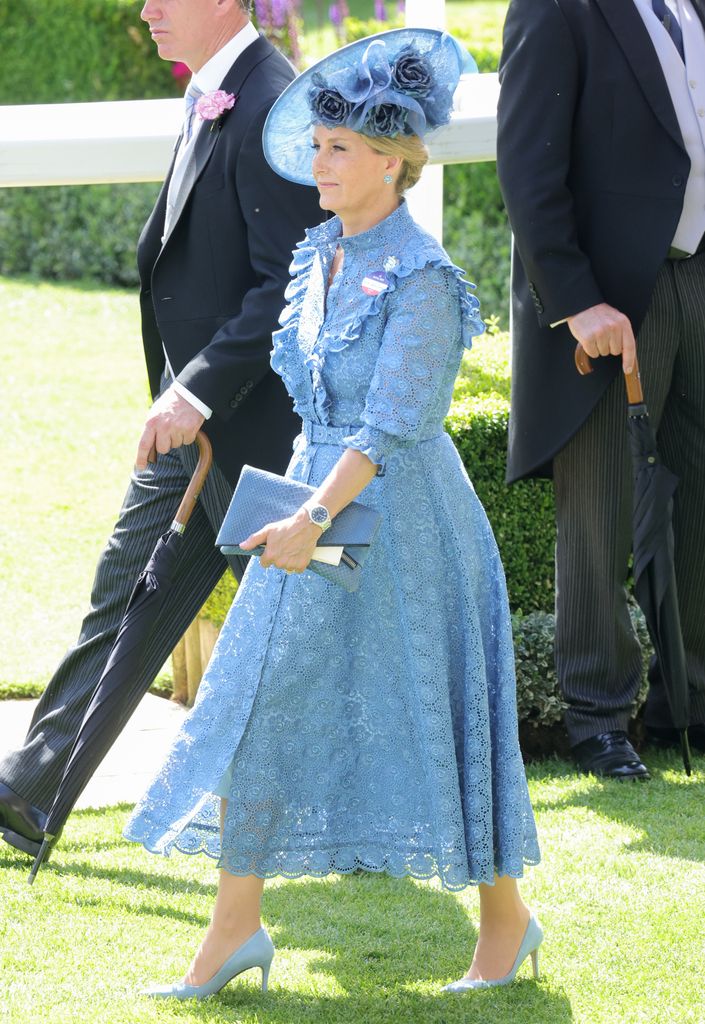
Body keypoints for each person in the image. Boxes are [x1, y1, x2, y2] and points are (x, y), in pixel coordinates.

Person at [124, 29, 542, 1000]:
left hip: (408, 526)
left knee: (443, 710)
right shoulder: (315, 255)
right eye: (315, 145)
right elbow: (312, 401)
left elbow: (394, 424)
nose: (318, 163)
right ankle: (232, 932)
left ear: (392, 163)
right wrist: (293, 502)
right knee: (259, 700)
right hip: (311, 510)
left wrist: (314, 510)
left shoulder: (426, 278)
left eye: (338, 148)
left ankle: (506, 921)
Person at [0, 0, 322, 858]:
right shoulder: (214, 92)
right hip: (194, 434)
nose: (145, 9)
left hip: (254, 437)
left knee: (309, 649)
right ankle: (30, 791)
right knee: (124, 599)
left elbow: (288, 281)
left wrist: (199, 393)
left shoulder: (270, 103)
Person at [496, 0, 705, 779]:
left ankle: (687, 700)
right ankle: (596, 717)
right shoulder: (555, 9)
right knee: (599, 507)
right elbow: (525, 165)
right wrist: (575, 301)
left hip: (701, 277)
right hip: (610, 300)